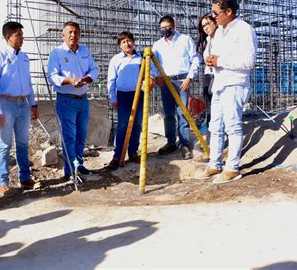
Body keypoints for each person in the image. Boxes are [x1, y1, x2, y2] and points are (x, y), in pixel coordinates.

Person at [198, 0, 257, 184]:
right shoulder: (221, 32)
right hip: (220, 83)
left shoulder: (243, 30)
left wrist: (220, 61)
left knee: (233, 127)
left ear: (228, 11)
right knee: (215, 127)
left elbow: (249, 61)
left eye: (216, 13)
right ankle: (215, 163)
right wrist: (213, 61)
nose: (213, 16)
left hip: (235, 83)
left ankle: (232, 168)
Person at [0, 21, 39, 197]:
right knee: (5, 144)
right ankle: (2, 181)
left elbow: (29, 83)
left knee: (23, 143)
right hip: (6, 104)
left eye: (22, 34)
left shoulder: (24, 58)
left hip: (23, 104)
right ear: (8, 37)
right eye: (18, 34)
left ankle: (25, 177)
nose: (22, 38)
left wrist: (33, 104)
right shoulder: (0, 56)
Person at [47, 21, 99, 181]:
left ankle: (79, 165)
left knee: (81, 135)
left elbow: (95, 69)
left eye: (76, 32)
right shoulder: (57, 53)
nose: (73, 35)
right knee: (69, 135)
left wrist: (87, 79)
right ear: (63, 35)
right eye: (69, 32)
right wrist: (70, 80)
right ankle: (69, 171)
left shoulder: (84, 51)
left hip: (83, 100)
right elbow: (53, 76)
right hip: (66, 100)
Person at [152, 15, 199, 160]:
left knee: (183, 113)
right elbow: (154, 63)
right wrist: (156, 77)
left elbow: (195, 58)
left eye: (167, 27)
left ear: (174, 26)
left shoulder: (185, 40)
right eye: (162, 28)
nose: (165, 30)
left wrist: (189, 77)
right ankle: (171, 142)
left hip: (182, 80)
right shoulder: (158, 45)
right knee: (169, 114)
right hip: (166, 81)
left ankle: (184, 144)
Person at [106, 31, 155, 170]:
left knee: (137, 125)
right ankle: (117, 156)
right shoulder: (116, 59)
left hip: (138, 94)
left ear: (133, 42)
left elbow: (152, 72)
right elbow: (111, 80)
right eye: (123, 42)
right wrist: (113, 97)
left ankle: (133, 152)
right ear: (120, 46)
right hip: (123, 96)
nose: (127, 44)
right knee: (122, 125)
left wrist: (151, 80)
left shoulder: (141, 58)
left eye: (129, 40)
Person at [197, 13, 218, 156]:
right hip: (208, 75)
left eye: (208, 24)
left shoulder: (222, 38)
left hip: (219, 75)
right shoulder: (208, 41)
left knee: (219, 109)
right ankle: (211, 143)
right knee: (210, 109)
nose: (206, 28)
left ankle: (219, 141)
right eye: (203, 26)